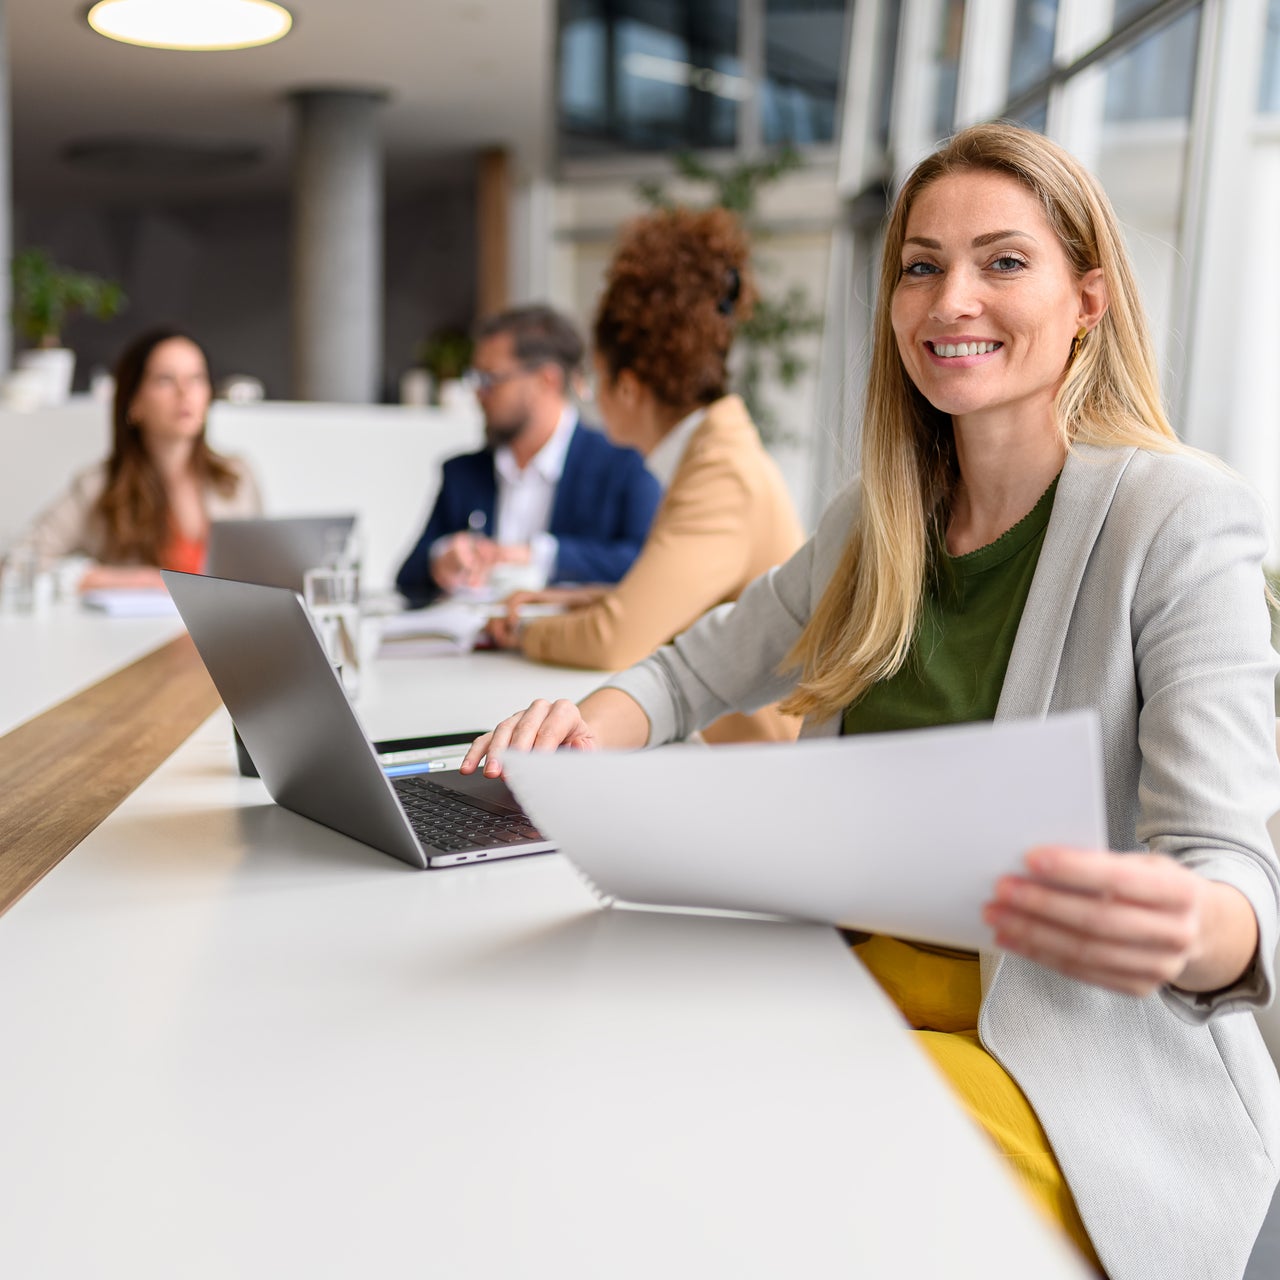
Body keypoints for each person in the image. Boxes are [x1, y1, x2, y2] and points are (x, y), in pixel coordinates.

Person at [461, 123, 1280, 1280]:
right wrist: (586, 721)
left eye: (1003, 261)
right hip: (842, 992)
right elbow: (690, 670)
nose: (952, 298)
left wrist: (1191, 926)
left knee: (763, 1194)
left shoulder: (1178, 518)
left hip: (1061, 1052)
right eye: (919, 264)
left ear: (1086, 299)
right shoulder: (873, 518)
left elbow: (1231, 870)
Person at [485, 207, 804, 742]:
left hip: (754, 768)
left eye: (595, 379)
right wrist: (568, 602)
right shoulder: (712, 452)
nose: (588, 397)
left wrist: (521, 630)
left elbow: (618, 637)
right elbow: (679, 603)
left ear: (629, 388)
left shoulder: (722, 473)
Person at [394, 305, 661, 605]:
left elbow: (647, 566)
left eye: (490, 379)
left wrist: (537, 556)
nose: (478, 393)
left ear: (546, 381)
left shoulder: (622, 465)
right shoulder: (463, 472)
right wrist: (440, 559)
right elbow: (406, 577)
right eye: (476, 378)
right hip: (469, 646)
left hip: (563, 647)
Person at [10, 327, 261, 588]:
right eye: (166, 380)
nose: (185, 393)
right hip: (145, 629)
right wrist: (110, 579)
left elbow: (262, 570)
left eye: (196, 378)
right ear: (134, 401)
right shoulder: (99, 486)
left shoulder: (237, 477)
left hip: (224, 628)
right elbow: (17, 564)